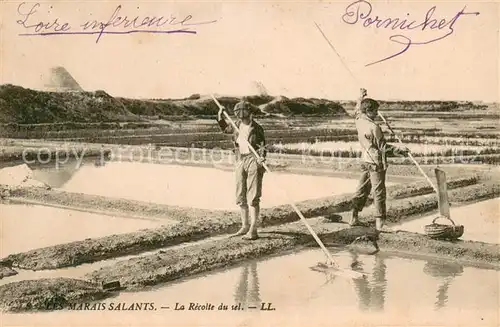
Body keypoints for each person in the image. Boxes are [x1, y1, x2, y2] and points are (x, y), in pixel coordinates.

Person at [350, 89, 409, 230]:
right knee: (379, 192)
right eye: (375, 111)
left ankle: (353, 218)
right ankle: (380, 224)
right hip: (376, 163)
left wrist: (361, 97)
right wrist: (400, 151)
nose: (377, 114)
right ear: (368, 111)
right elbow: (383, 148)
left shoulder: (359, 121)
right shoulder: (374, 127)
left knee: (362, 189)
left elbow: (357, 109)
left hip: (365, 161)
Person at [216, 100, 266, 240]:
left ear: (250, 114)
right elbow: (225, 129)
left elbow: (262, 146)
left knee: (253, 196)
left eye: (244, 114)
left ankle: (253, 229)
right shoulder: (236, 125)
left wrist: (262, 158)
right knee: (240, 195)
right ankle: (244, 226)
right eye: (239, 114)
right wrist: (220, 116)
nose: (241, 117)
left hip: (253, 160)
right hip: (240, 159)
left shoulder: (257, 129)